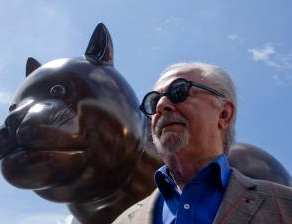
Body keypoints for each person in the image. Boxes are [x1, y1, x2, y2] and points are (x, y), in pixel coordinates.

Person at [113, 62, 292, 224]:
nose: (161, 105)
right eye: (153, 101)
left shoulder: (285, 205)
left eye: (179, 91)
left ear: (224, 114)